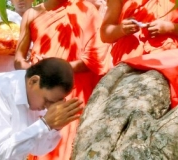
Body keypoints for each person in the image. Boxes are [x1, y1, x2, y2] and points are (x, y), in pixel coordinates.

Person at [100, 0, 178, 158]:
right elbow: (105, 33)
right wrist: (121, 29)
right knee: (121, 125)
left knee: (159, 126)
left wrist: (170, 28)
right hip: (129, 66)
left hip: (168, 67)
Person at [14, 0, 112, 159]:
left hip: (74, 92)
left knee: (69, 145)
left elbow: (95, 59)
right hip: (41, 94)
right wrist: (35, 69)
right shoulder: (31, 14)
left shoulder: (85, 9)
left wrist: (56, 68)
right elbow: (18, 60)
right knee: (40, 144)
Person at [0, 57, 83, 160]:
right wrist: (45, 124)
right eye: (47, 101)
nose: (48, 108)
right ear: (33, 81)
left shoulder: (37, 97)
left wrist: (54, 127)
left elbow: (38, 149)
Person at [100, 0, 178, 66]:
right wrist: (122, 29)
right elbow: (105, 35)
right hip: (129, 63)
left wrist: (170, 28)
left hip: (170, 63)